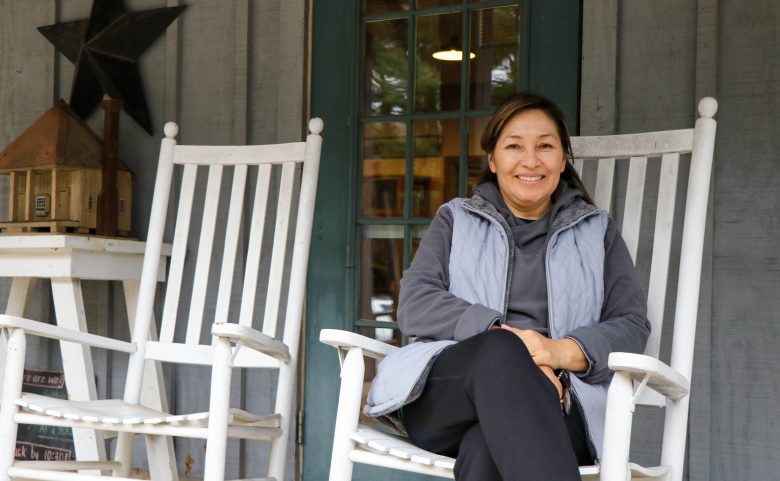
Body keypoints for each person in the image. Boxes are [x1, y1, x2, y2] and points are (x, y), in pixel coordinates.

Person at [363, 92, 651, 480]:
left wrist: (557, 352)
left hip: (560, 401)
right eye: (515, 146)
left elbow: (631, 324)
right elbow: (415, 302)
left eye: (545, 146)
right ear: (493, 160)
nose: (530, 161)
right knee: (501, 350)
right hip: (450, 400)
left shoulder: (597, 231)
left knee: (486, 451)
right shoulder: (455, 219)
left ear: (563, 159)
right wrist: (509, 342)